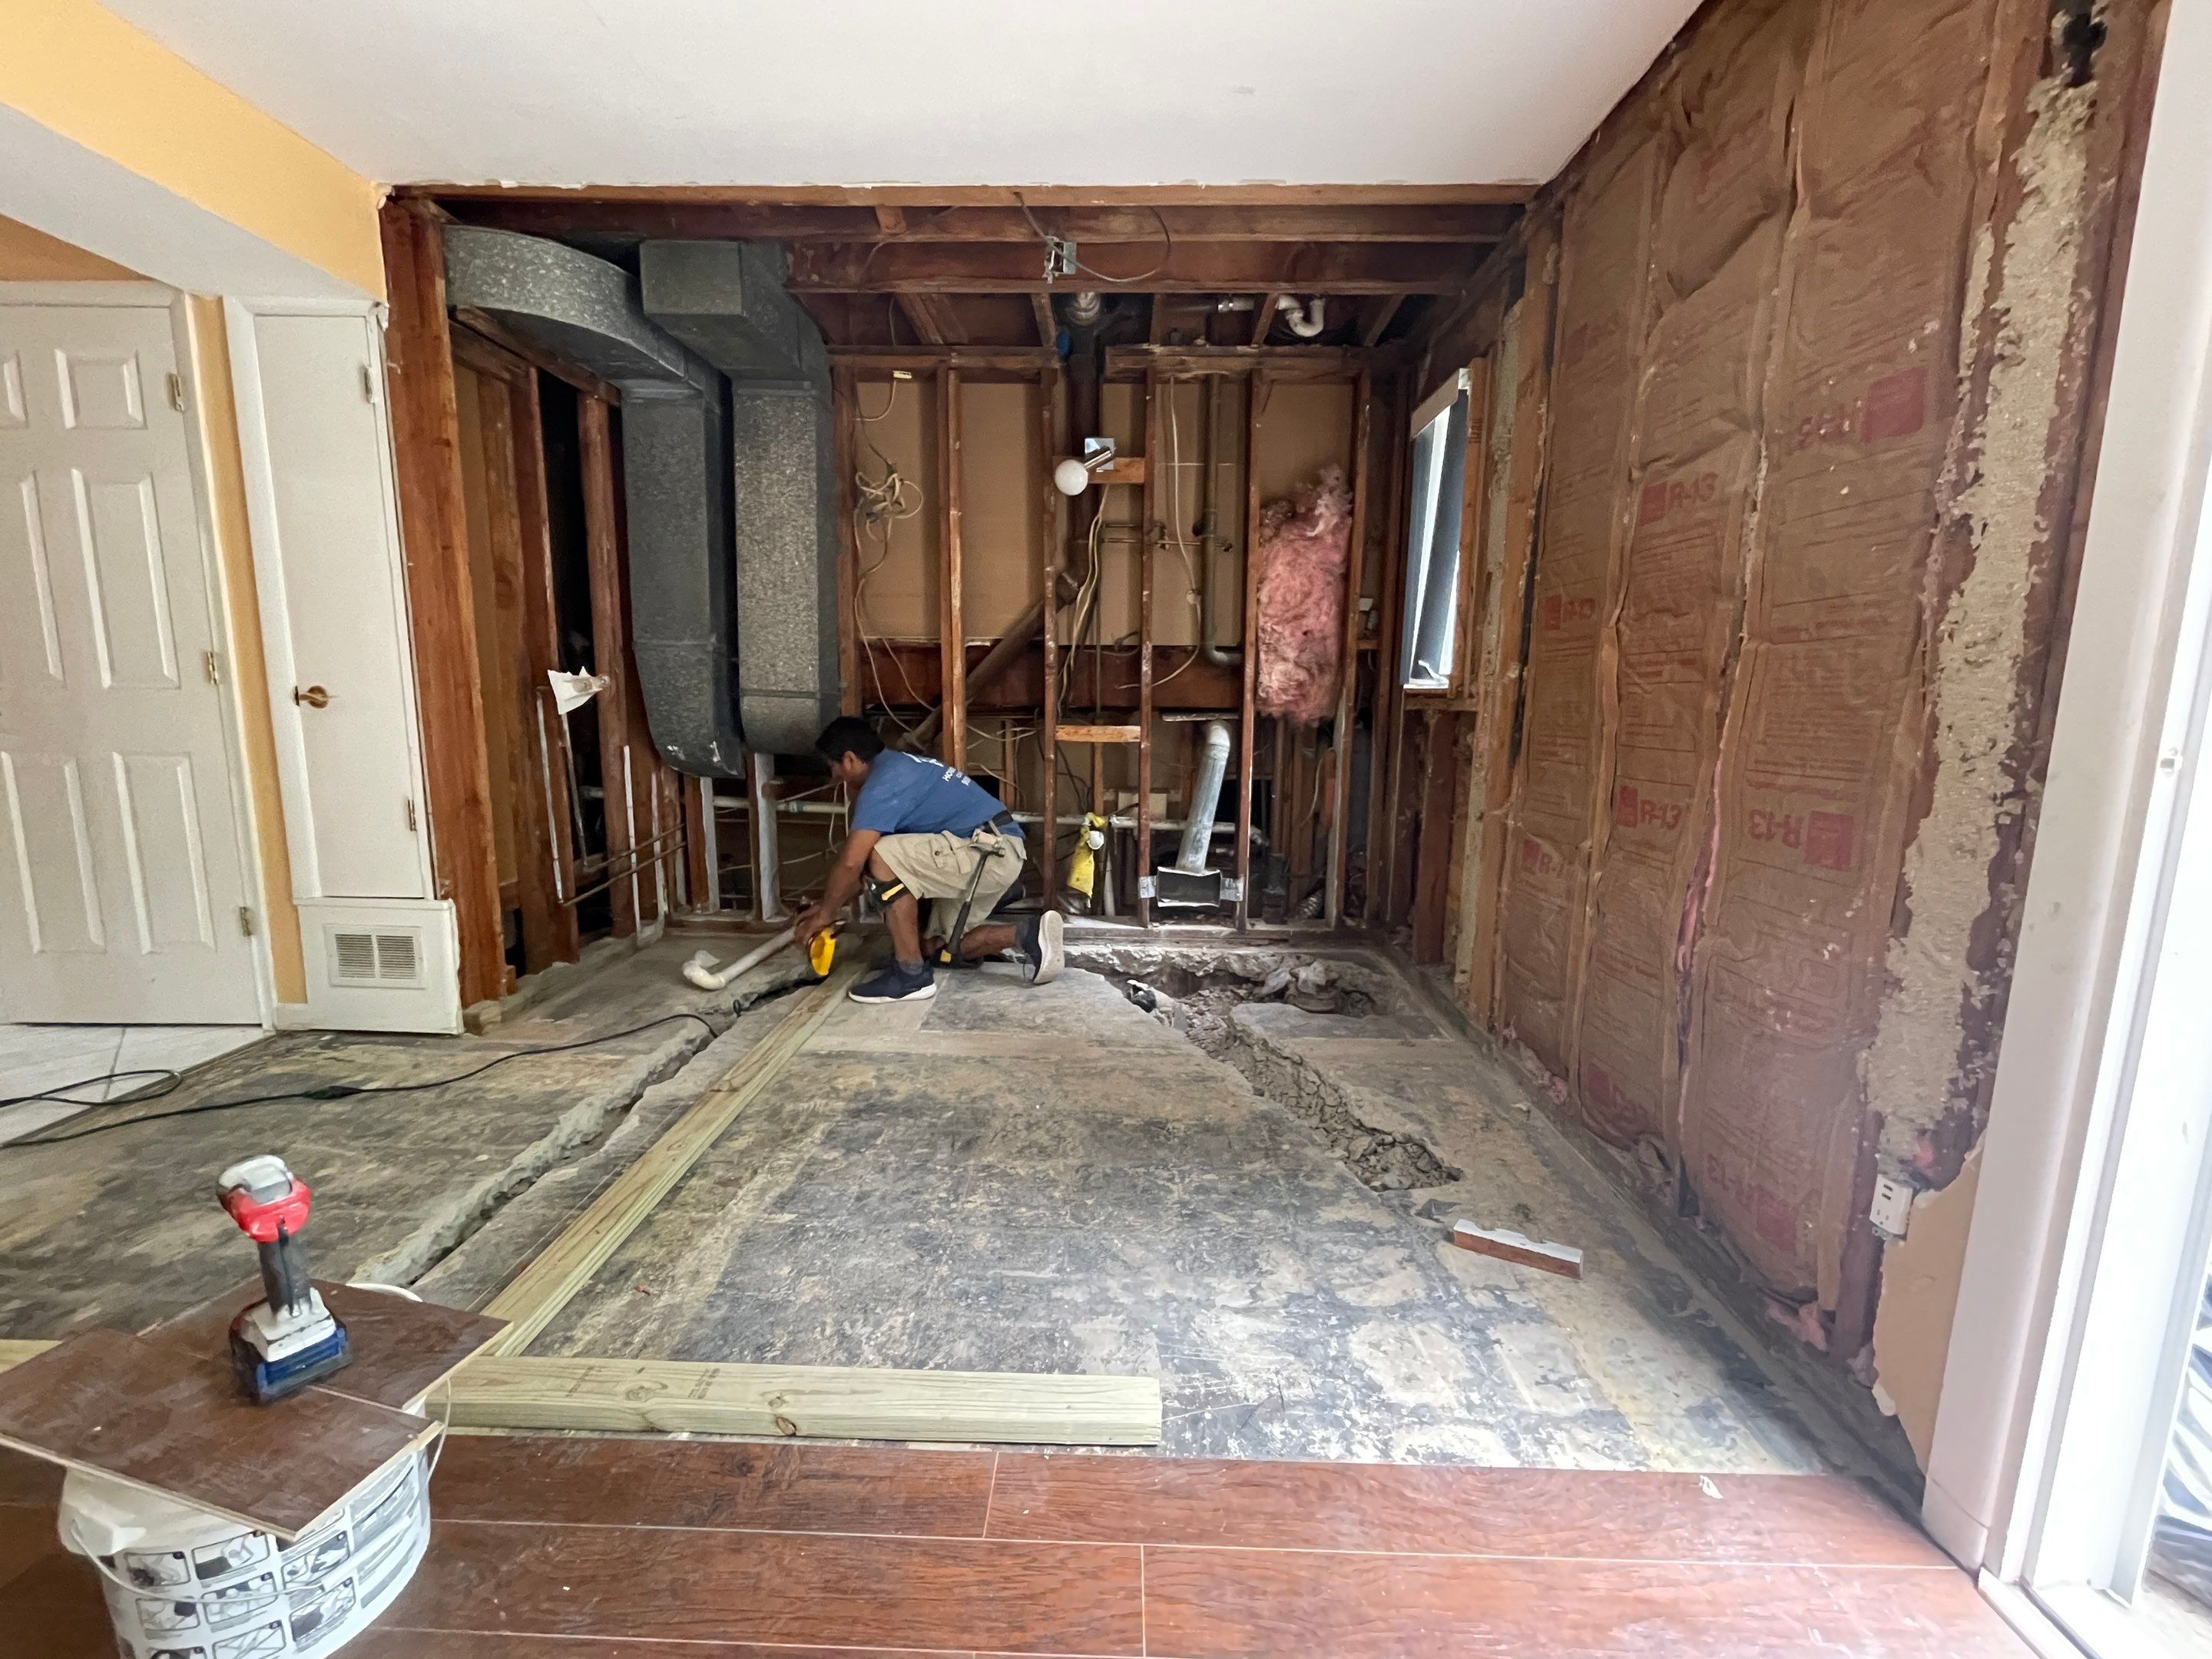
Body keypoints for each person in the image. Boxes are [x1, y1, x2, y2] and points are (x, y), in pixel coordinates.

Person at [794, 716, 1065, 1004]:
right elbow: (860, 873)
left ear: (848, 759)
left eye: (833, 767)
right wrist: (830, 907)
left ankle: (910, 976)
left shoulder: (884, 784)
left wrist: (825, 915)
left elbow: (852, 863)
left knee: (884, 854)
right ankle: (1029, 935)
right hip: (993, 853)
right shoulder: (898, 766)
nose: (836, 776)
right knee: (938, 947)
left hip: (989, 852)